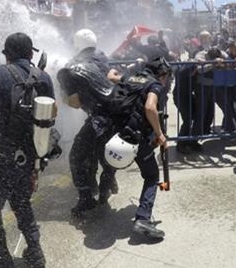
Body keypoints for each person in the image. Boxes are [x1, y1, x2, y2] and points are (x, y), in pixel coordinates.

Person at [0, 32, 56, 268]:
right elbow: (52, 113)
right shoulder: (44, 77)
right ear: (30, 54)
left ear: (7, 55)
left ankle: (3, 257)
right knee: (22, 203)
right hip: (28, 155)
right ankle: (35, 252)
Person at [62, 29, 122, 217]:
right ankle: (105, 190)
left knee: (77, 156)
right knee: (105, 154)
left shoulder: (73, 66)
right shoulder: (103, 58)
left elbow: (75, 102)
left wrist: (63, 97)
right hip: (115, 115)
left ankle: (86, 199)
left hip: (99, 118)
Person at [128, 57, 171, 240]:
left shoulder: (131, 79)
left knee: (110, 166)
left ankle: (101, 195)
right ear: (162, 74)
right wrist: (160, 134)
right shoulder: (155, 85)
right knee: (152, 176)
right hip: (136, 137)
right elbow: (150, 107)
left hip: (116, 134)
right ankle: (143, 219)